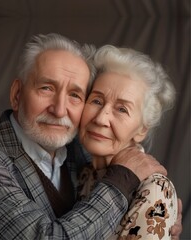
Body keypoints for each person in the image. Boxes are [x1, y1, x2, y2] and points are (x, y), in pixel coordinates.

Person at [0, 33, 180, 239]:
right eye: (47, 88)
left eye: (75, 95)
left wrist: (160, 213)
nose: (59, 110)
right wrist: (122, 180)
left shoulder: (78, 150)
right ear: (17, 94)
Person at [77, 45, 182, 239]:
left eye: (122, 109)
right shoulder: (82, 173)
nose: (101, 119)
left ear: (142, 129)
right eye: (97, 101)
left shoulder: (154, 189)